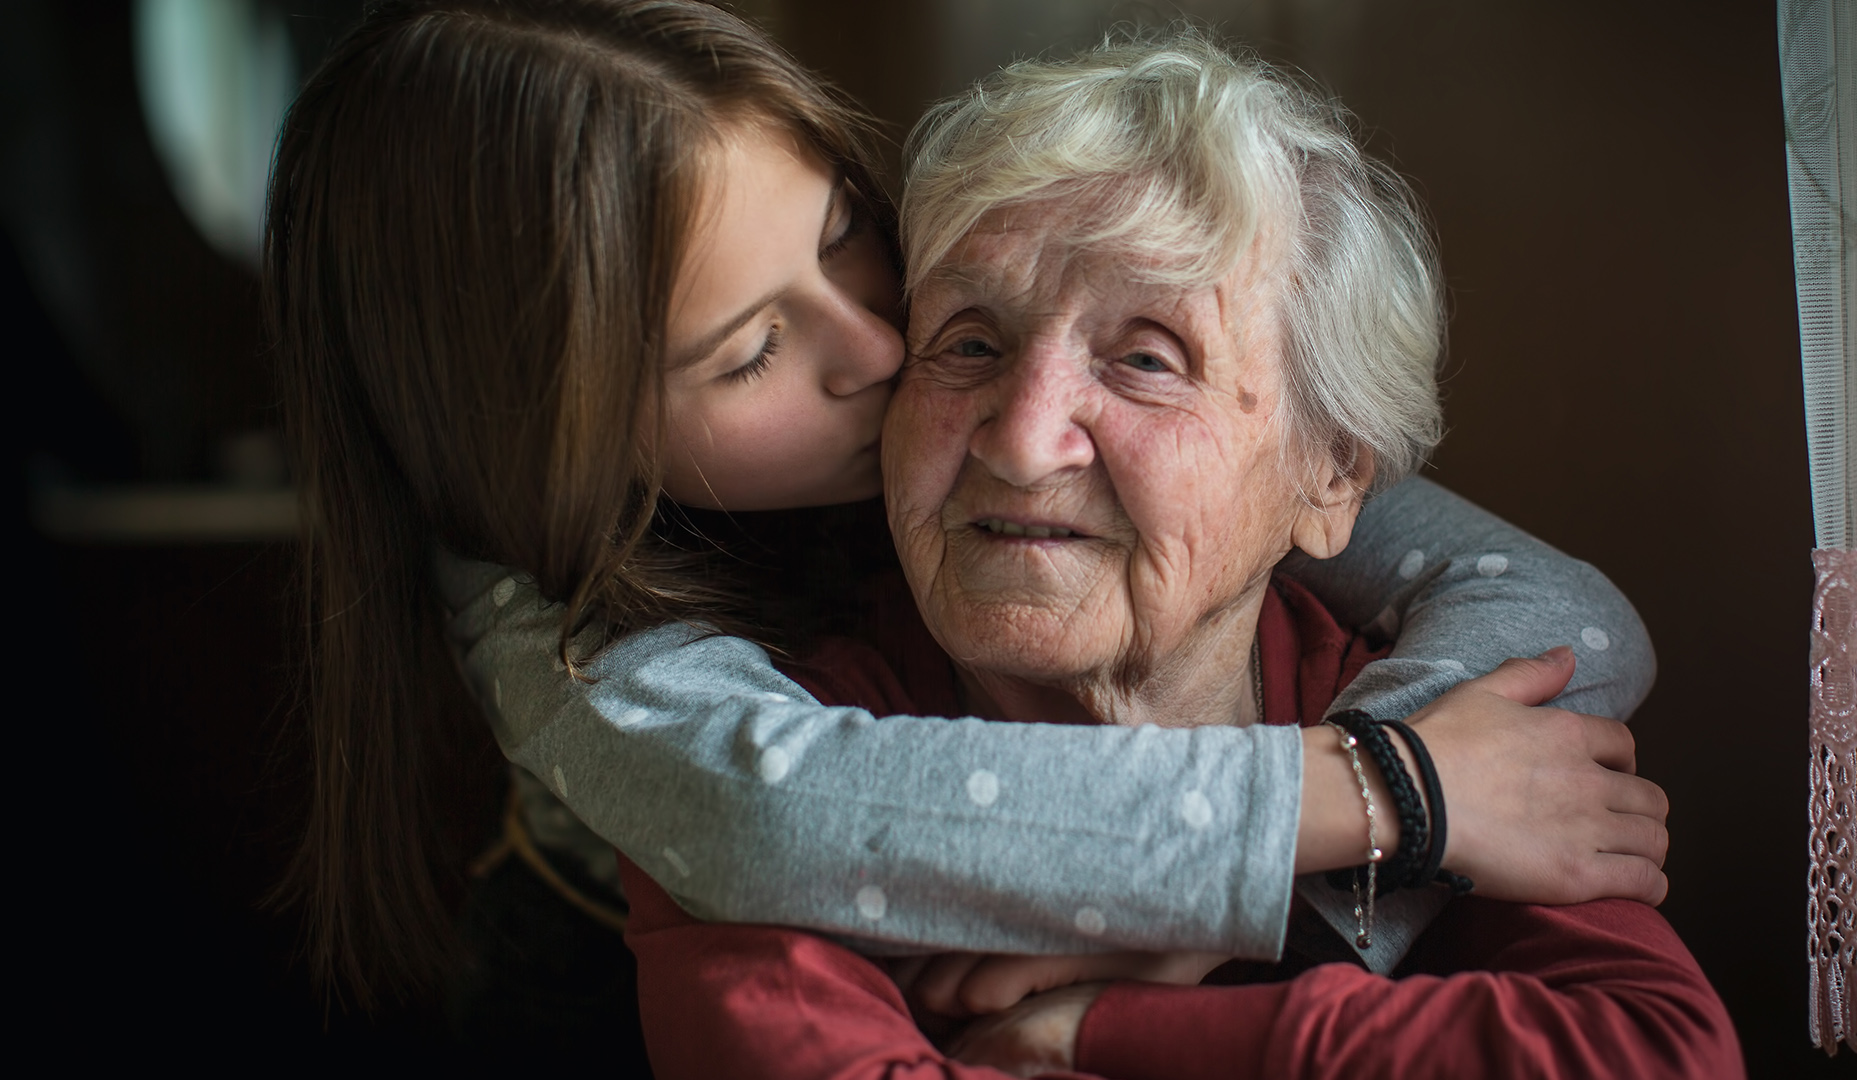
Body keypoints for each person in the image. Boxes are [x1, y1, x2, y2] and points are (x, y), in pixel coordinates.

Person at [267, 0, 1665, 1027]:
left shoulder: (1210, 461)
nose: (882, 350)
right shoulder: (565, 629)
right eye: (749, 351)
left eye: (844, 241)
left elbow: (1564, 618)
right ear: (558, 445)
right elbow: (776, 824)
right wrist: (1387, 798)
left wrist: (1313, 893)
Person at [615, 31, 1738, 1079]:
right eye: (967, 342)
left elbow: (1656, 1054)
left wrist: (1106, 1029)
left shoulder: (1439, 715)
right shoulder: (776, 759)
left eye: (1147, 360)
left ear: (1332, 476)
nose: (1019, 438)